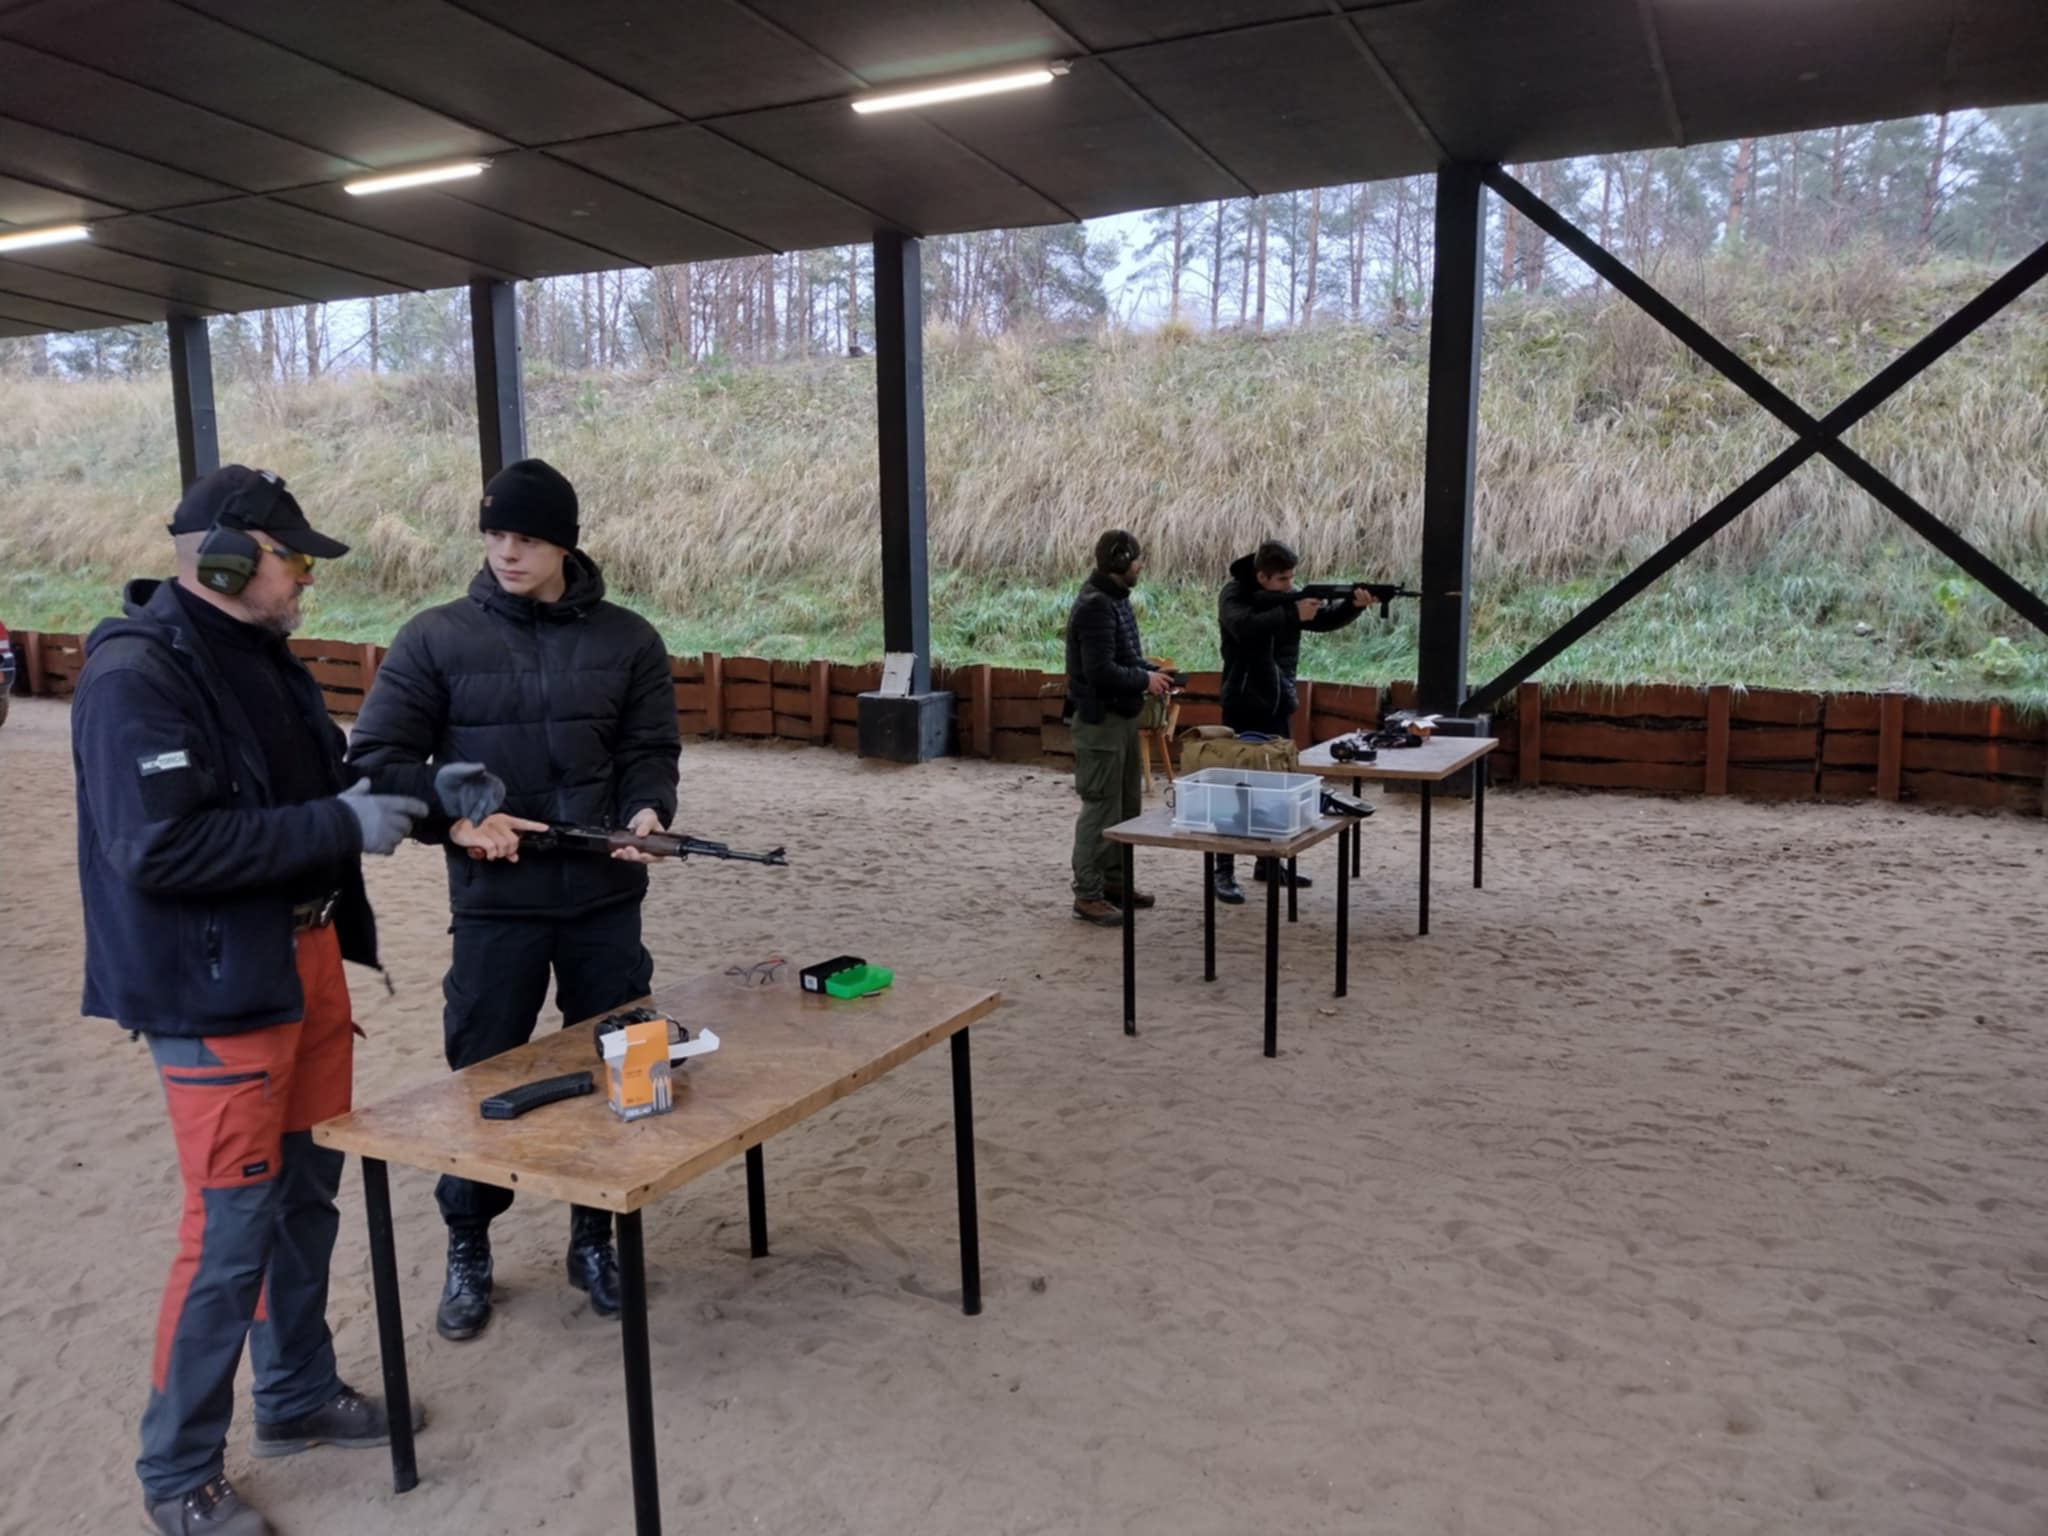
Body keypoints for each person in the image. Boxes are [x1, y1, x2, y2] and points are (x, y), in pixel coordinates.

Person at [71, 465, 431, 1536]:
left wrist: (431, 793)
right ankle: (177, 1470)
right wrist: (338, 827)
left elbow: (330, 787)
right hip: (214, 987)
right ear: (227, 559)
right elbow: (160, 847)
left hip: (304, 960)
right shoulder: (135, 677)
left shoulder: (266, 659)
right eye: (294, 559)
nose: (307, 577)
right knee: (229, 1228)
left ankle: (296, 1393)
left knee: (307, 1195)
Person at [346, 457, 680, 1342]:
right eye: (494, 534)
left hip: (607, 900)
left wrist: (648, 810)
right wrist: (457, 821)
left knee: (625, 1065)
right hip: (496, 908)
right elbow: (377, 762)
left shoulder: (630, 640)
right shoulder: (434, 639)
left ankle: (595, 1236)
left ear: (564, 543)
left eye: (525, 537)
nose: (506, 552)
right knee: (483, 1075)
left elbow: (650, 750)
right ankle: (469, 1244)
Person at [1213, 541, 1370, 903]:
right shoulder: (1234, 595)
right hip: (1242, 701)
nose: (1289, 586)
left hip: (1277, 700)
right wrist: (1290, 612)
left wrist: (1353, 606)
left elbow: (1321, 619)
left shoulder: (1285, 598)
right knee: (1235, 786)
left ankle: (1269, 862)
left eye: (1291, 579)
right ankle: (1223, 870)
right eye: (1282, 580)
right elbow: (1243, 627)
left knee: (1276, 785)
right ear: (1261, 576)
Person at [1064, 528, 1173, 925]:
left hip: (1121, 718)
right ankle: (1088, 894)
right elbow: (1100, 671)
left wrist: (1152, 673)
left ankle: (1114, 883)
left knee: (1126, 807)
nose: (1140, 565)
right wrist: (1145, 679)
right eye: (1136, 559)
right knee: (1100, 808)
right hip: (1102, 721)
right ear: (1121, 560)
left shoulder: (1114, 600)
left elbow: (1123, 658)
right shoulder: (1096, 605)